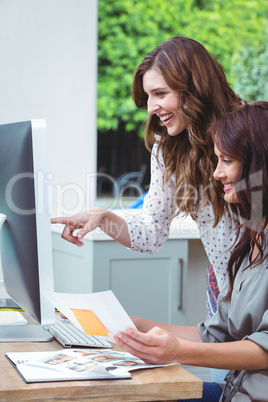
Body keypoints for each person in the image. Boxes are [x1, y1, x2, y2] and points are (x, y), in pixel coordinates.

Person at [52, 37, 242, 380]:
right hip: (224, 300)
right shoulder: (167, 149)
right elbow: (152, 233)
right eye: (148, 97)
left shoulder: (248, 134)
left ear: (194, 87)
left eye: (160, 93)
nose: (151, 107)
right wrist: (104, 217)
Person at [113, 102, 268, 401]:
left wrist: (178, 351)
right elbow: (215, 333)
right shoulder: (250, 238)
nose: (216, 173)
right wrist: (131, 327)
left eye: (226, 161)